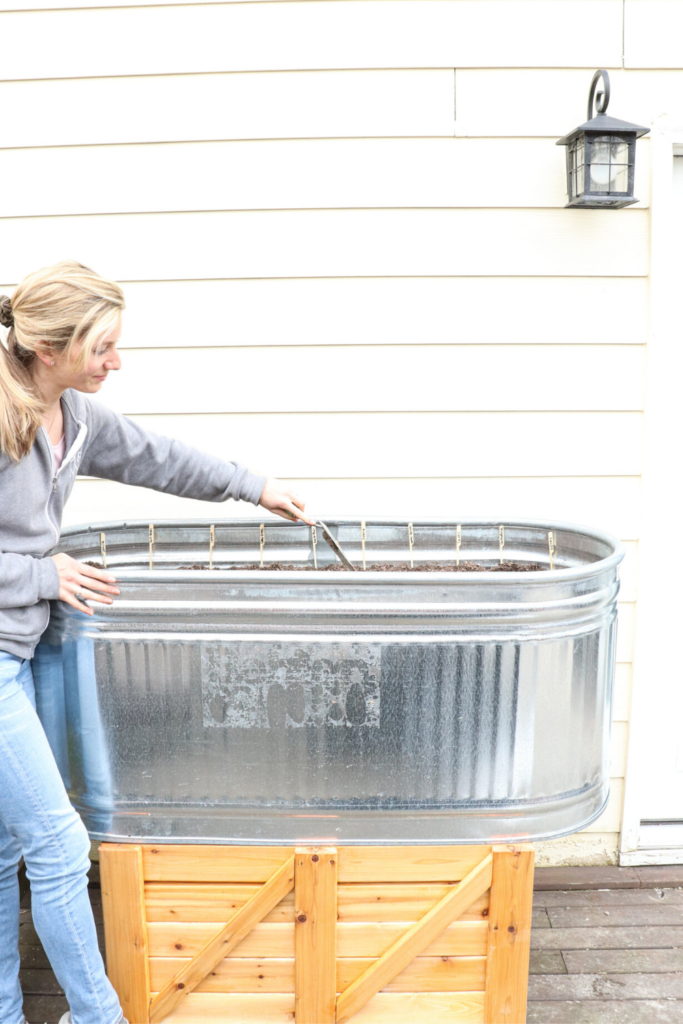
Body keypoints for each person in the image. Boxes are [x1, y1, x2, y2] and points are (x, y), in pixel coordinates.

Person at [0, 261, 313, 1024]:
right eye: (102, 346)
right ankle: (99, 1017)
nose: (116, 361)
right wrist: (41, 574)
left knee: (9, 847)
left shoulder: (72, 416)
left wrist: (253, 485)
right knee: (60, 848)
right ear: (49, 347)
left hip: (25, 644)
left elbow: (158, 457)